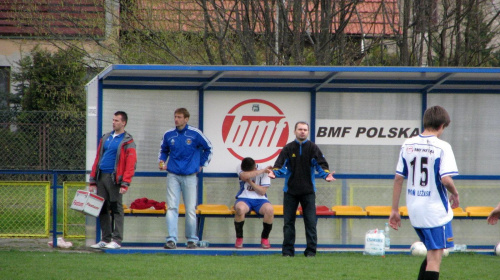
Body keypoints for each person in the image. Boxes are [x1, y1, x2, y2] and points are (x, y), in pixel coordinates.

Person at [389, 105, 459, 280]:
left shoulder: (408, 144)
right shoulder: (443, 147)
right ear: (442, 125)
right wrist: (456, 194)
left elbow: (398, 178)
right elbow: (445, 179)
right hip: (434, 211)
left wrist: (394, 210)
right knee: (435, 258)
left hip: (415, 209)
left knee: (431, 253)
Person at [269, 121, 335, 257]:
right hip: (290, 192)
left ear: (307, 132)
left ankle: (310, 252)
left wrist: (326, 175)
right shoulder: (288, 148)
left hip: (308, 192)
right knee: (288, 224)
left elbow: (321, 166)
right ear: (295, 131)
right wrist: (274, 173)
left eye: (305, 129)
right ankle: (287, 252)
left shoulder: (313, 148)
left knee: (310, 223)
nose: (302, 132)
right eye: (300, 129)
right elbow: (279, 166)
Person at [159, 108, 213, 249]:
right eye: (175, 116)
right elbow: (164, 150)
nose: (176, 119)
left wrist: (202, 164)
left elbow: (209, 148)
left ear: (186, 119)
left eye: (179, 117)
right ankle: (171, 240)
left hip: (190, 176)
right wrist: (162, 161)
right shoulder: (169, 134)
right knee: (171, 207)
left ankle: (191, 240)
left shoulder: (195, 134)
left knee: (190, 209)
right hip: (173, 175)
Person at [89, 111, 137, 249]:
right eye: (113, 120)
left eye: (116, 120)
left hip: (115, 179)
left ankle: (117, 240)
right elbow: (98, 158)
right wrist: (93, 179)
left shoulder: (128, 141)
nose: (113, 122)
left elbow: (131, 163)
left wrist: (125, 182)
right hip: (101, 176)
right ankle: (105, 238)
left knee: (116, 208)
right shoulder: (106, 137)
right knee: (102, 208)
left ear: (124, 123)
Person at [234, 157, 274, 249]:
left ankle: (265, 238)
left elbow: (262, 192)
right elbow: (244, 176)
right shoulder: (241, 166)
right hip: (244, 198)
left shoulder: (265, 171)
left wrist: (251, 182)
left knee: (270, 210)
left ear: (255, 168)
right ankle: (239, 238)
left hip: (261, 200)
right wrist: (262, 171)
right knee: (240, 209)